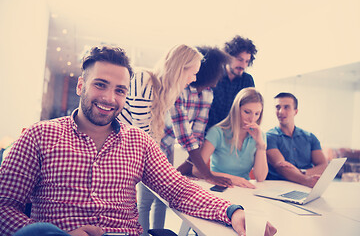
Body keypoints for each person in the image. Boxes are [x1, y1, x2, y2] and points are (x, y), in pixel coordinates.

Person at [0, 46, 277, 236]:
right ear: (81, 86)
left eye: (120, 90)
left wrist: (232, 211)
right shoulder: (38, 136)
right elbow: (4, 206)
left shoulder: (140, 143)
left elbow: (179, 190)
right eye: (100, 84)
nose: (110, 98)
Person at [115, 44, 234, 235]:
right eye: (193, 72)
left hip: (147, 150)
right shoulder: (144, 79)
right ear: (181, 68)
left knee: (161, 197)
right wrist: (171, 174)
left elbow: (159, 138)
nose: (195, 78)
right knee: (142, 201)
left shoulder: (168, 93)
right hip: (119, 152)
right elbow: (142, 136)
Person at [161, 45, 233, 182]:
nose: (221, 75)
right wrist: (209, 175)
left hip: (168, 147)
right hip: (155, 143)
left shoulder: (208, 94)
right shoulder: (180, 90)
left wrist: (176, 175)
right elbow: (186, 138)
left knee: (162, 196)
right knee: (147, 197)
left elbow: (197, 137)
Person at [192, 88, 268, 188]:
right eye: (247, 112)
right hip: (219, 186)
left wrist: (260, 145)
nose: (252, 119)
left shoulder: (260, 135)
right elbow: (196, 170)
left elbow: (261, 177)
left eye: (257, 113)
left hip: (244, 189)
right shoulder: (217, 132)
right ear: (237, 109)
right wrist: (232, 179)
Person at [266, 92, 328, 188]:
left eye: (286, 107)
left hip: (306, 187)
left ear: (296, 111)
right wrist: (306, 180)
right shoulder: (269, 137)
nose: (281, 111)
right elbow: (281, 167)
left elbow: (323, 165)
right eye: (278, 107)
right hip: (277, 187)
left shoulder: (310, 137)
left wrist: (302, 172)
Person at [206, 35, 257, 132]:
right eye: (240, 59)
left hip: (232, 135)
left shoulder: (247, 81)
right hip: (208, 133)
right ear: (228, 57)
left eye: (247, 61)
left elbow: (250, 110)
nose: (243, 65)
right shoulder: (213, 75)